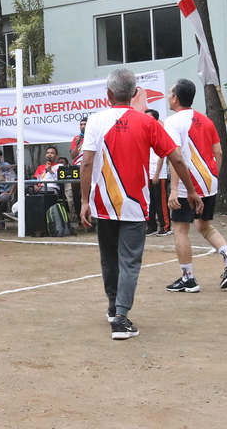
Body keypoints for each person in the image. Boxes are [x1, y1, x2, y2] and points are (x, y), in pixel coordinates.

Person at [79, 69, 201, 340]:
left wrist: (84, 201)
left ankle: (114, 307)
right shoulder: (147, 122)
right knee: (130, 261)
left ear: (108, 94)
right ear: (135, 94)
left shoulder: (95, 120)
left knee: (109, 259)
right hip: (134, 205)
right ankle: (121, 318)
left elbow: (86, 163)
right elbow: (176, 158)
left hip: (103, 203)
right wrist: (191, 191)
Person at [163, 78, 227, 293]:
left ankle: (188, 279)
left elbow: (176, 157)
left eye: (170, 93)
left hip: (188, 183)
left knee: (180, 229)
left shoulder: (173, 122)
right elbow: (218, 152)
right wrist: (211, 176)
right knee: (204, 225)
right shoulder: (206, 120)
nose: (168, 96)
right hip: (209, 181)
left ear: (175, 98)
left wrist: (174, 189)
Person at [144, 109, 171, 237]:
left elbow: (162, 155)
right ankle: (151, 226)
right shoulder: (144, 133)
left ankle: (166, 226)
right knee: (150, 203)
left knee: (161, 202)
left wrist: (156, 174)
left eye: (148, 117)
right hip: (148, 174)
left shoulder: (159, 132)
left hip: (159, 175)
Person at [69, 117, 88, 216]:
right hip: (76, 168)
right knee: (76, 194)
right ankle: (79, 218)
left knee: (88, 193)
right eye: (81, 124)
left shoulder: (94, 136)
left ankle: (91, 218)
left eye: (85, 124)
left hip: (89, 167)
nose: (83, 126)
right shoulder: (76, 138)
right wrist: (76, 145)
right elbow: (72, 156)